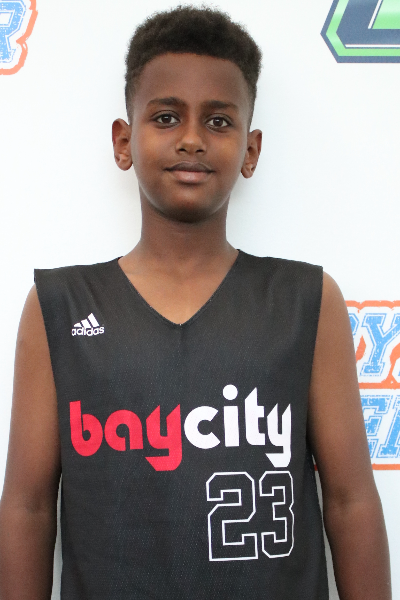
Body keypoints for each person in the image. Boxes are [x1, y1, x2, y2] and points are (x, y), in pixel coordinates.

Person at [0, 6, 391, 600]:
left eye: (218, 121)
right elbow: (27, 506)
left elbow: (350, 499)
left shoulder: (307, 301)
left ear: (251, 151)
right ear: (123, 141)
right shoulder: (59, 306)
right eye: (166, 116)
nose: (190, 138)